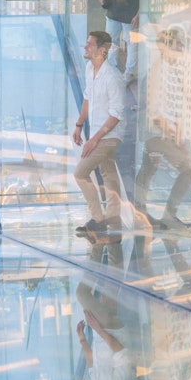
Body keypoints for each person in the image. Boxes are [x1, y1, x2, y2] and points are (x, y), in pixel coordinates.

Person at [72, 31, 127, 235]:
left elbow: (116, 114)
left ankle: (97, 219)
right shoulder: (89, 68)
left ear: (102, 51)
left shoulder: (112, 77)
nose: (85, 48)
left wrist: (94, 140)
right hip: (96, 131)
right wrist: (79, 125)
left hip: (110, 134)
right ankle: (113, 217)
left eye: (90, 45)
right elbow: (87, 98)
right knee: (108, 172)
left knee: (80, 173)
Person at [134, 115, 191, 230]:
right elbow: (158, 115)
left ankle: (140, 214)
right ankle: (168, 217)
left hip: (153, 132)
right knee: (189, 172)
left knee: (147, 171)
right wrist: (174, 138)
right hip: (160, 135)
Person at [100, 0, 139, 78]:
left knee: (131, 44)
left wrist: (138, 15)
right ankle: (112, 71)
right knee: (111, 42)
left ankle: (129, 74)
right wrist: (102, 0)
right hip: (113, 12)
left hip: (131, 15)